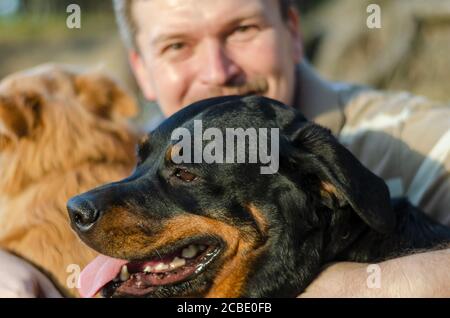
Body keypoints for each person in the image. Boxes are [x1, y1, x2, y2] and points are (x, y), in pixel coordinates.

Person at [1, 0, 449, 297]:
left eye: (243, 29)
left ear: (293, 32)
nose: (216, 71)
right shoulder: (152, 138)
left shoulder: (418, 139)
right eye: (178, 45)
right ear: (141, 69)